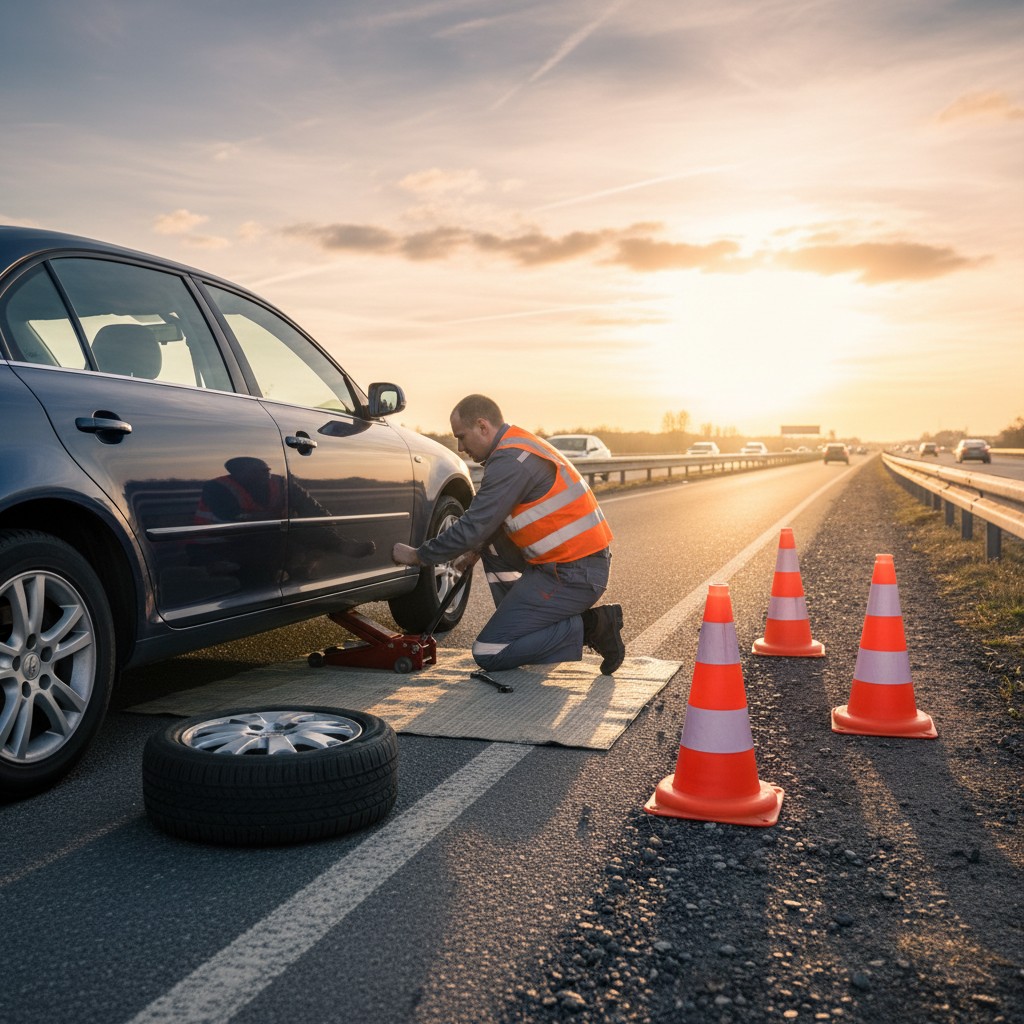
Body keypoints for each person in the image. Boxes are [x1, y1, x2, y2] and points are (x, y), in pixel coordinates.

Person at [392, 394, 625, 675]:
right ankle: (527, 627)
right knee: (489, 544)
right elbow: (489, 525)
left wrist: (419, 555)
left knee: (489, 652)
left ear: (482, 426)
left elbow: (473, 525)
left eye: (462, 437)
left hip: (576, 574)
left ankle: (595, 626)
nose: (460, 447)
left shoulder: (511, 461)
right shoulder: (517, 445)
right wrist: (474, 550)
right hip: (568, 565)